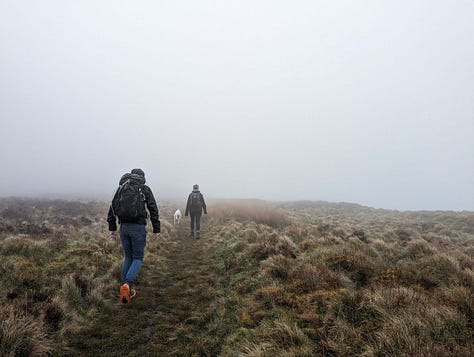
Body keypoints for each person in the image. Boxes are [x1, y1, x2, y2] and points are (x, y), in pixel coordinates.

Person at [107, 168, 160, 304]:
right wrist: (156, 229)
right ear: (142, 177)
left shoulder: (121, 188)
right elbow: (153, 208)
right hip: (138, 228)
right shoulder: (144, 188)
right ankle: (127, 285)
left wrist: (112, 229)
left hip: (123, 227)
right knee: (137, 258)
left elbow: (112, 209)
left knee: (128, 257)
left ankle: (126, 290)